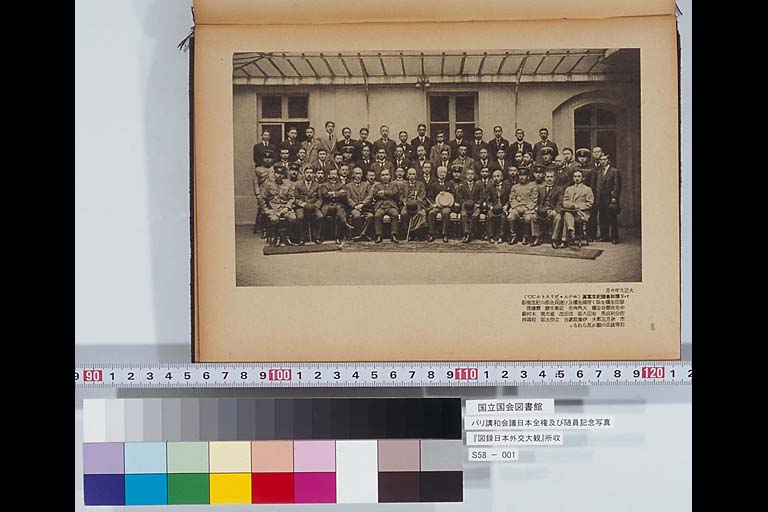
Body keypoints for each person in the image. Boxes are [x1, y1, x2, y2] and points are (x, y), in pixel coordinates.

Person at [262, 164, 297, 246]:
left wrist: (287, 207)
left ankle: (287, 237)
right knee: (274, 219)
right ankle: (276, 237)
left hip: (285, 208)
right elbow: (262, 198)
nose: (279, 176)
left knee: (293, 218)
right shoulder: (268, 185)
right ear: (274, 174)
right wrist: (266, 210)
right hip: (274, 209)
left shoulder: (288, 184)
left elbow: (292, 198)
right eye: (277, 173)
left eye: (281, 174)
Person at [561, 169, 594, 248]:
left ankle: (565, 239)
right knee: (567, 214)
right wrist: (572, 205)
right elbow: (564, 202)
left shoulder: (587, 189)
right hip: (571, 211)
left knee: (566, 217)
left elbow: (590, 203)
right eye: (575, 176)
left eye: (579, 176)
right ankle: (571, 230)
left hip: (582, 213)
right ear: (573, 178)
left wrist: (578, 206)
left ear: (583, 178)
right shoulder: (568, 189)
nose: (577, 178)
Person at [319, 168, 353, 244]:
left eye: (335, 174)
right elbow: (325, 195)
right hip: (327, 206)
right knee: (322, 216)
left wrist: (331, 193)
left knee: (338, 215)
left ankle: (337, 237)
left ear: (337, 176)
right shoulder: (323, 185)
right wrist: (337, 193)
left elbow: (344, 195)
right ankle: (321, 236)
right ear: (328, 175)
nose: (333, 176)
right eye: (332, 174)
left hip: (338, 205)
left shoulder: (342, 185)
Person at [533, 170, 564, 248]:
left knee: (558, 218)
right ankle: (537, 237)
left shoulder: (559, 189)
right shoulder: (540, 188)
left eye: (551, 177)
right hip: (542, 210)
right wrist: (537, 208)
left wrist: (555, 211)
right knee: (533, 216)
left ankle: (554, 239)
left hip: (553, 210)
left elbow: (560, 202)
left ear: (554, 178)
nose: (549, 179)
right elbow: (537, 201)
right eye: (547, 177)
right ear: (544, 178)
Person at [595, 153, 622, 244]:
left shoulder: (614, 171)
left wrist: (614, 198)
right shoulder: (598, 171)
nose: (602, 161)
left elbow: (616, 186)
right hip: (600, 199)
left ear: (608, 160)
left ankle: (614, 237)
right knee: (602, 218)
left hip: (610, 198)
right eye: (601, 160)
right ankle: (604, 236)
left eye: (604, 159)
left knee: (612, 218)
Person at [507, 170, 537, 245]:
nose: (522, 177)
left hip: (528, 208)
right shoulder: (515, 187)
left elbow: (534, 199)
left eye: (524, 175)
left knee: (527, 218)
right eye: (520, 175)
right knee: (511, 217)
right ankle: (513, 236)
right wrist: (516, 207)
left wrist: (527, 208)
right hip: (517, 207)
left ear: (527, 176)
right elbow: (511, 199)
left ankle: (525, 236)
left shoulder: (532, 186)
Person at [294, 167, 323, 245]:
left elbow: (320, 199)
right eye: (307, 173)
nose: (309, 174)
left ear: (313, 174)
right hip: (302, 207)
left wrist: (316, 206)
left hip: (313, 206)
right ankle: (301, 238)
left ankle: (317, 237)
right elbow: (295, 199)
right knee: (300, 217)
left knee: (320, 216)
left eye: (311, 173)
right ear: (303, 174)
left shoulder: (317, 185)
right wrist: (303, 204)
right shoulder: (298, 185)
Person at [425, 165, 455, 243]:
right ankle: (431, 233)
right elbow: (429, 196)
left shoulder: (450, 184)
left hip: (446, 206)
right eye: (440, 172)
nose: (442, 174)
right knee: (431, 213)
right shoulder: (433, 184)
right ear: (437, 173)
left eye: (444, 172)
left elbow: (454, 195)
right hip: (437, 206)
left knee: (446, 213)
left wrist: (449, 202)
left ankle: (445, 234)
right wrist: (434, 204)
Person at [455, 167, 485, 243]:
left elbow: (482, 197)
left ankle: (469, 233)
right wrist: (464, 203)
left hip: (475, 206)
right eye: (468, 174)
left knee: (475, 215)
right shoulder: (461, 186)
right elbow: (459, 198)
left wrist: (478, 204)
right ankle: (467, 233)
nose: (470, 176)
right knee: (463, 215)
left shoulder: (478, 185)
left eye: (472, 174)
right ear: (465, 175)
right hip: (465, 206)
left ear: (474, 175)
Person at [372, 169, 401, 243]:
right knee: (377, 215)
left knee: (395, 214)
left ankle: (394, 235)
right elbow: (375, 195)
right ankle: (379, 235)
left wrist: (384, 192)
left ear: (390, 176)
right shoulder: (377, 185)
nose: (385, 177)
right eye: (383, 175)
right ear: (380, 177)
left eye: (386, 175)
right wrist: (387, 194)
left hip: (391, 205)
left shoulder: (394, 184)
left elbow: (394, 193)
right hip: (380, 206)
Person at [346, 167, 374, 241]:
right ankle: (358, 234)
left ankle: (363, 234)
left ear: (362, 175)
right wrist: (355, 206)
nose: (358, 175)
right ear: (353, 175)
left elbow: (370, 196)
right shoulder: (348, 186)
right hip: (354, 208)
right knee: (357, 216)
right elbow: (348, 198)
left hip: (364, 207)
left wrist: (363, 204)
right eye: (356, 173)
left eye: (360, 173)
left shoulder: (366, 185)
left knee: (370, 216)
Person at [253, 148, 276, 235]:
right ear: (262, 159)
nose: (267, 159)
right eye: (265, 158)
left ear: (272, 159)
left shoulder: (274, 169)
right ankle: (264, 230)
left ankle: (273, 229)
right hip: (263, 193)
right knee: (263, 210)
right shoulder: (258, 170)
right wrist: (258, 194)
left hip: (273, 194)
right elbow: (255, 183)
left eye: (269, 158)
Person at [401, 168, 427, 241]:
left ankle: (415, 233)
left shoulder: (420, 184)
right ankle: (407, 233)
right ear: (407, 175)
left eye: (413, 174)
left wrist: (417, 201)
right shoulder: (404, 184)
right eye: (410, 174)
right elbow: (401, 196)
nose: (412, 176)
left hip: (417, 204)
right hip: (407, 204)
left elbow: (423, 195)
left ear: (416, 175)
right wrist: (404, 201)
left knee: (419, 214)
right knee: (404, 213)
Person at [486, 169, 511, 243]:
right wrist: (490, 206)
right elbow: (488, 200)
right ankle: (491, 236)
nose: (496, 178)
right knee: (490, 216)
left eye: (498, 176)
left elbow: (510, 199)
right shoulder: (490, 187)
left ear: (502, 177)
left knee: (503, 217)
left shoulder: (507, 187)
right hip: (494, 207)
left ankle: (501, 236)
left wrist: (506, 206)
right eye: (494, 176)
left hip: (503, 207)